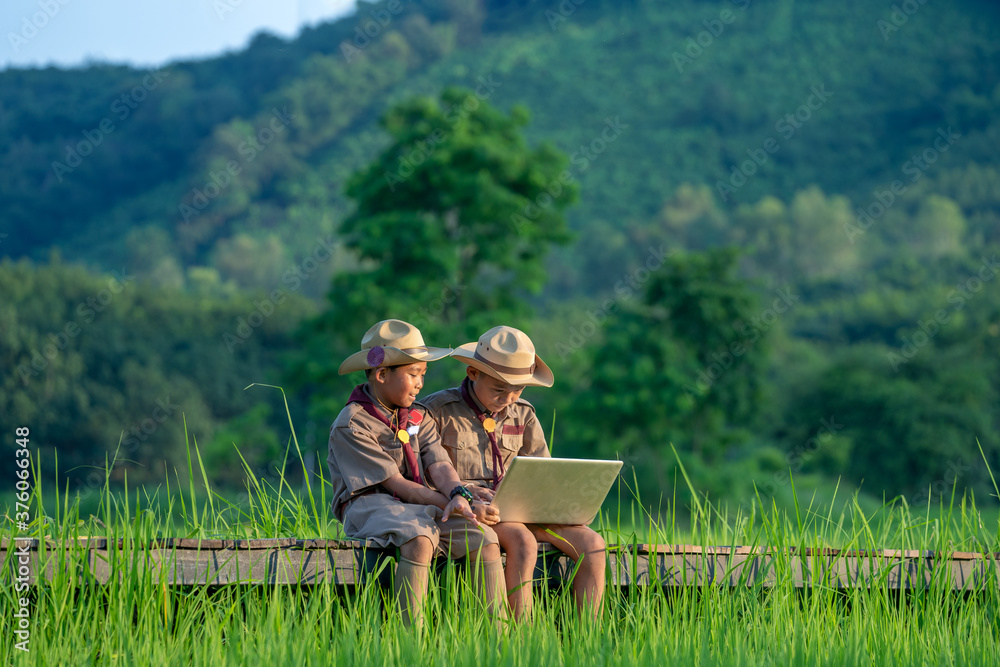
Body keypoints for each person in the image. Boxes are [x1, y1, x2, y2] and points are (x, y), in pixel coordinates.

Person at [326, 319, 506, 628]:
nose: (421, 383)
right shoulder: (353, 424)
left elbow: (438, 464)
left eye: (423, 374)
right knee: (420, 537)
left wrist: (457, 495)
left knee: (482, 536)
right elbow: (396, 484)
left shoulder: (417, 416)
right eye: (413, 374)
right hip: (370, 505)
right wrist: (445, 503)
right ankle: (413, 641)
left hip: (418, 505)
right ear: (382, 375)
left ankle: (500, 638)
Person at [422, 325, 606, 621]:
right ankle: (522, 637)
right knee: (522, 540)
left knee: (593, 545)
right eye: (499, 389)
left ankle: (587, 639)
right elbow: (427, 474)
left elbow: (543, 471)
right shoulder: (437, 411)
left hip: (523, 510)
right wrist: (468, 492)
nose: (508, 398)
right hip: (476, 514)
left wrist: (560, 500)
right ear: (472, 373)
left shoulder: (524, 413)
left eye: (517, 390)